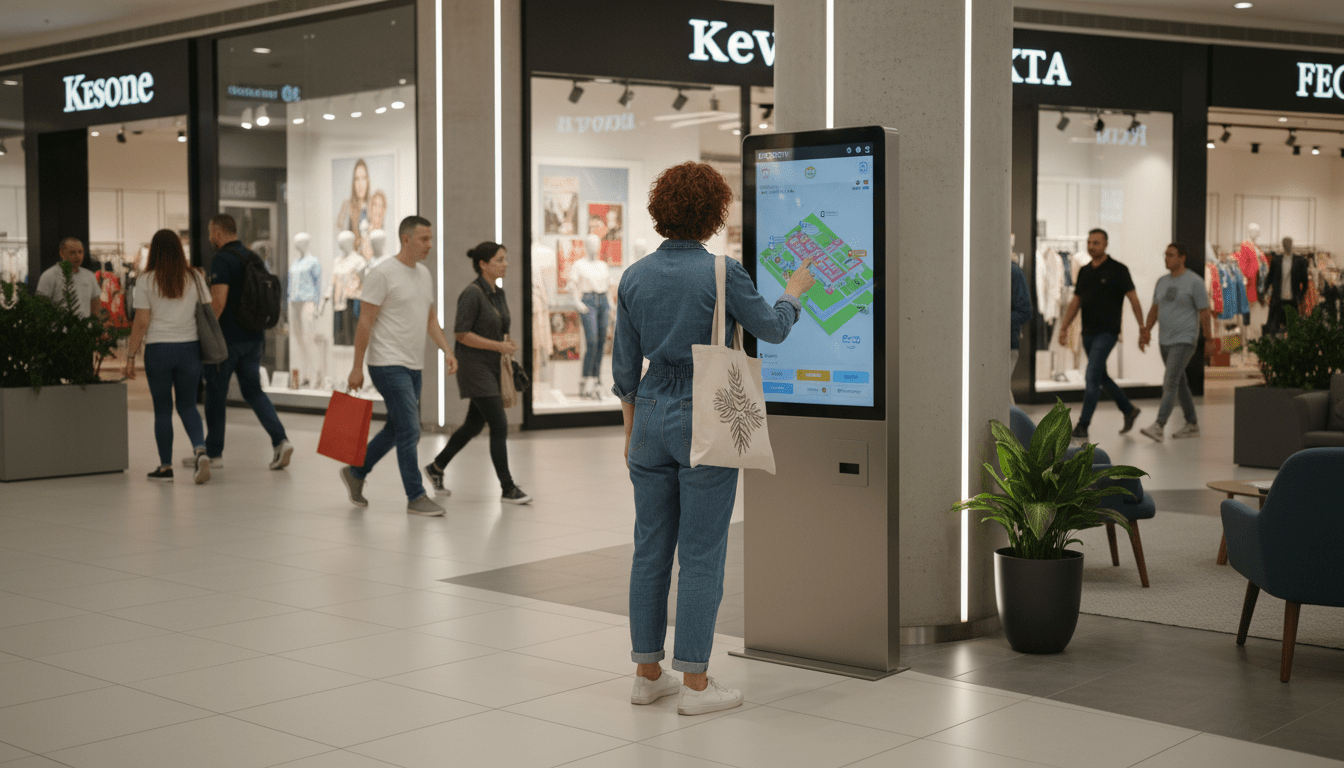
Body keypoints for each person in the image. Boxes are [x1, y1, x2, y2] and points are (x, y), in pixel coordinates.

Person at [612, 162, 816, 715]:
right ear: (713, 213)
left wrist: (633, 432)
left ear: (661, 211)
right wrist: (794, 293)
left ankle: (647, 673)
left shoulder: (633, 276)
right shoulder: (723, 273)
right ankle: (697, 685)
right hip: (708, 406)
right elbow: (770, 330)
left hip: (651, 409)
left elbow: (625, 370)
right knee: (702, 553)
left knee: (649, 548)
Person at [341, 216, 459, 516]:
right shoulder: (382, 274)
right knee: (410, 430)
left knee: (396, 429)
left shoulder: (424, 274)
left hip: (413, 365)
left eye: (431, 239)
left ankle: (356, 472)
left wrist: (446, 349)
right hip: (385, 363)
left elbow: (430, 319)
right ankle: (415, 496)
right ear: (406, 239)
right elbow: (364, 322)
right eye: (424, 239)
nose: (429, 245)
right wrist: (357, 367)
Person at [423, 241, 531, 505]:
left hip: (493, 366)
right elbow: (462, 334)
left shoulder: (498, 293)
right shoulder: (472, 294)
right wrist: (499, 346)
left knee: (473, 424)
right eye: (499, 260)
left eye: (505, 259)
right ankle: (507, 488)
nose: (505, 264)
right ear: (483, 264)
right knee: (499, 424)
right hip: (474, 367)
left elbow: (498, 327)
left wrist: (508, 344)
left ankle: (436, 467)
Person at [199, 214, 293, 471]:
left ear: (218, 232)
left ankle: (214, 454)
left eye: (211, 233)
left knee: (216, 394)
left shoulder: (222, 260)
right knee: (253, 391)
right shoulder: (253, 257)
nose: (209, 238)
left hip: (227, 342)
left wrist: (204, 334)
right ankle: (280, 440)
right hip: (254, 337)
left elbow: (218, 303)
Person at [124, 230, 210, 484]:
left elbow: (141, 321)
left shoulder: (146, 280)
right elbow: (209, 311)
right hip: (189, 348)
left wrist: (130, 356)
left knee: (163, 410)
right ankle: (200, 450)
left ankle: (165, 467)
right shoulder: (195, 276)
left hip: (159, 349)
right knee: (187, 405)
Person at [1057, 228, 1145, 440]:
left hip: (1108, 332)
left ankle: (1083, 425)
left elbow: (1133, 300)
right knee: (1101, 375)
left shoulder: (1118, 270)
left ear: (1106, 244)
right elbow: (1076, 301)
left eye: (1096, 243)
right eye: (1089, 242)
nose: (1091, 246)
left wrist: (1143, 328)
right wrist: (1064, 327)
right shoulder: (1085, 271)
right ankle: (1128, 409)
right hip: (1087, 333)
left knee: (1091, 375)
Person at [1139, 243, 1212, 442]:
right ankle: (1192, 424)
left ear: (1182, 257)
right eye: (1165, 255)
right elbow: (1155, 309)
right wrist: (1146, 332)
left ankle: (1159, 425)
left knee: (1170, 381)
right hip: (1165, 340)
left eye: (1171, 255)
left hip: (1185, 339)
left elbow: (1204, 312)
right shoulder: (1161, 282)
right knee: (1180, 382)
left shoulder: (1194, 282)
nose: (1166, 258)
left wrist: (1208, 339)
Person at [35, 237, 102, 318]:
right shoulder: (49, 275)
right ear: (62, 254)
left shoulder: (90, 276)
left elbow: (96, 305)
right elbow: (41, 306)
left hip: (85, 329)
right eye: (72, 253)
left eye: (80, 252)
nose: (78, 256)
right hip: (58, 329)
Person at [1009, 256, 1032, 404]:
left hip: (1006, 343)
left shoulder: (1013, 272)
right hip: (975, 345)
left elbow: (1025, 312)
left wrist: (994, 322)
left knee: (999, 390)